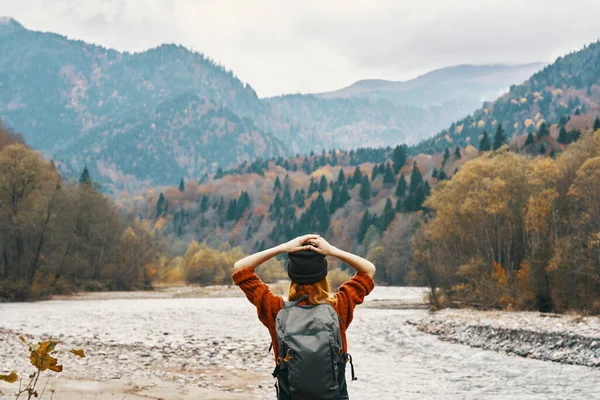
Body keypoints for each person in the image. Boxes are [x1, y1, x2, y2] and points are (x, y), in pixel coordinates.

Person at [232, 233, 376, 399]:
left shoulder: (276, 310)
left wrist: (283, 247)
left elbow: (241, 268)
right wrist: (332, 250)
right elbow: (368, 270)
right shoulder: (339, 306)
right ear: (324, 276)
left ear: (291, 277)